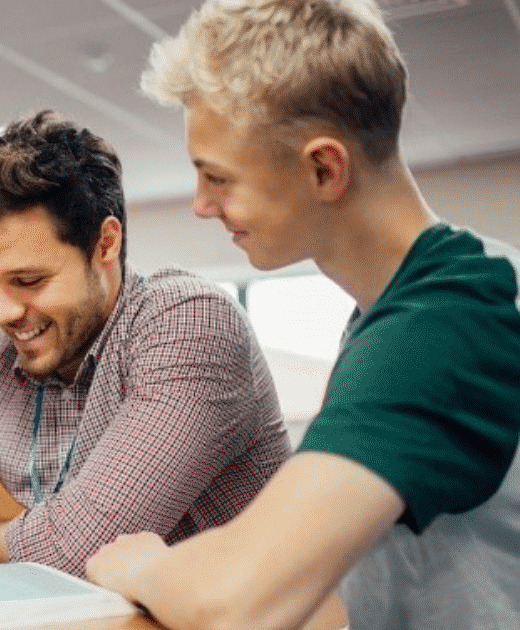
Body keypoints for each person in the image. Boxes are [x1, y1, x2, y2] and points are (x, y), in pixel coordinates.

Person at [85, 1, 520, 628]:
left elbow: (231, 604)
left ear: (324, 168)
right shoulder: (397, 309)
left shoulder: (444, 323)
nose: (202, 205)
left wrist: (141, 563)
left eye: (218, 178)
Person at [0, 110, 290, 577]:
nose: (3, 312)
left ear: (105, 244)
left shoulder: (189, 322)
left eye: (28, 280)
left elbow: (82, 548)